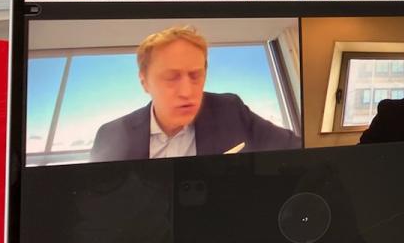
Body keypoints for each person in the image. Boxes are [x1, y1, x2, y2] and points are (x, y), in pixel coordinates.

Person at [90, 26, 300, 162]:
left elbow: (296, 148)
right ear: (144, 82)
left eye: (196, 75)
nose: (187, 92)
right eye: (171, 77)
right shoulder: (111, 135)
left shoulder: (230, 110)